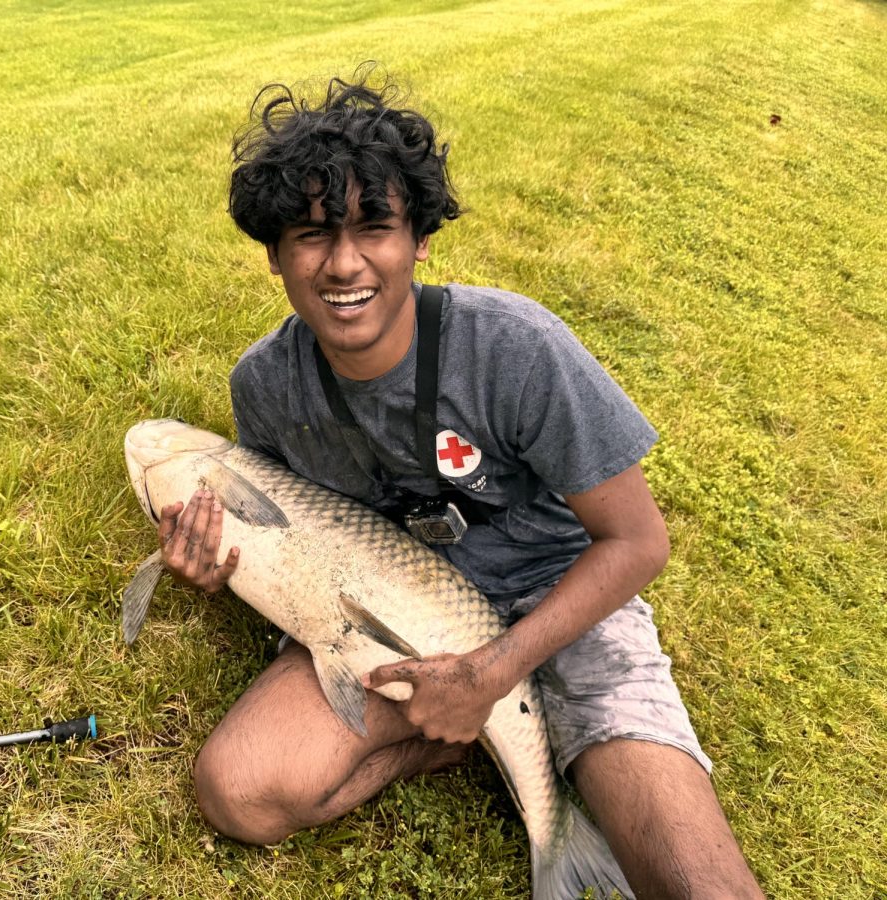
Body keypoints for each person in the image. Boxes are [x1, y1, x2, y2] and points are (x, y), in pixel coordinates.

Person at [156, 69, 763, 899]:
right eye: (309, 234)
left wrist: (492, 672)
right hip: (403, 619)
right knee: (241, 791)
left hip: (565, 602)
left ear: (420, 239)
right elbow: (296, 548)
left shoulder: (515, 348)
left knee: (701, 887)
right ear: (273, 253)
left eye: (375, 226)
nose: (344, 263)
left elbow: (637, 541)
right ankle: (463, 743)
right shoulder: (265, 385)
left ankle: (541, 729)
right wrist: (215, 566)